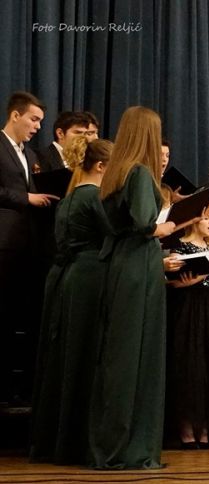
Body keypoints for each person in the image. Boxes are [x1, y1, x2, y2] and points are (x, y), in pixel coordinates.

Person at [89, 106, 185, 469]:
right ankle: (133, 448)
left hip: (118, 265)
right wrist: (168, 226)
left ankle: (110, 443)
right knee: (140, 357)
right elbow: (147, 224)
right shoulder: (142, 173)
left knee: (117, 358)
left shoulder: (115, 172)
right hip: (140, 267)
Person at [29, 138, 112, 464]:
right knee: (83, 357)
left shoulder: (68, 199)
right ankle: (77, 441)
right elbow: (114, 237)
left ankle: (55, 438)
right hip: (89, 280)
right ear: (102, 166)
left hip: (65, 279)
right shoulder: (93, 198)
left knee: (63, 357)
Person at [0, 91, 55, 406]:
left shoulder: (32, 156)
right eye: (33, 119)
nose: (37, 126)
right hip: (4, 246)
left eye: (40, 122)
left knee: (23, 321)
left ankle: (16, 389)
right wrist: (27, 199)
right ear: (15, 115)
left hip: (29, 249)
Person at [166, 209, 209, 450]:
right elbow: (170, 280)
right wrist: (191, 279)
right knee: (190, 364)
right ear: (194, 221)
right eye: (205, 218)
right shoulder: (181, 246)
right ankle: (185, 428)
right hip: (188, 307)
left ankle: (204, 428)